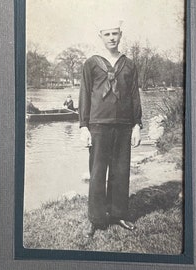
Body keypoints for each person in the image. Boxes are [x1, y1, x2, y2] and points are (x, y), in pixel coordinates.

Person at [79, 19, 142, 237]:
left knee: (121, 171)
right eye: (107, 34)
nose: (112, 38)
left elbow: (134, 95)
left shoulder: (130, 64)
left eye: (115, 33)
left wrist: (137, 125)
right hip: (98, 126)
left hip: (124, 126)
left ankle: (118, 214)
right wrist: (83, 127)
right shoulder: (91, 63)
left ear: (121, 35)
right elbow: (85, 95)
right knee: (97, 173)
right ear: (101, 36)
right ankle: (97, 219)